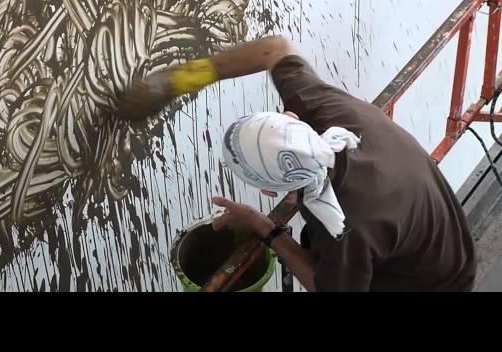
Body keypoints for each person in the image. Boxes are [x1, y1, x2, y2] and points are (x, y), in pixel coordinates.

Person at [119, 35, 477, 291]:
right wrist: (177, 80)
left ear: (269, 189)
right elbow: (273, 48)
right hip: (445, 242)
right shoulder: (323, 108)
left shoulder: (343, 223)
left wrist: (265, 227)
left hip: (433, 282)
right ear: (291, 116)